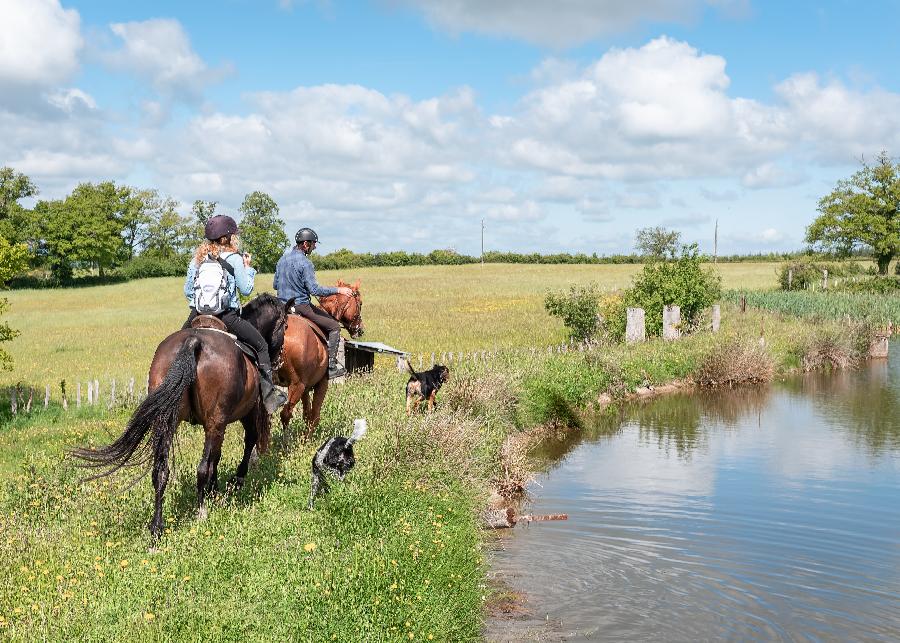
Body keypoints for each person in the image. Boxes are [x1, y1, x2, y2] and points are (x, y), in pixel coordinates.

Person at [182, 214, 287, 413]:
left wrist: (202, 304)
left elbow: (188, 291)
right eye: (233, 236)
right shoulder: (235, 259)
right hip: (226, 316)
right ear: (226, 238)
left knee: (177, 348)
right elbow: (246, 289)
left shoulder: (197, 258)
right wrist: (248, 268)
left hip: (197, 314)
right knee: (262, 346)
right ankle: (269, 396)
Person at [273, 227, 354, 379]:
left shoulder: (281, 260)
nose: (314, 247)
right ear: (305, 244)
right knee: (334, 327)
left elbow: (275, 285)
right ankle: (331, 367)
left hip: (281, 307)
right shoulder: (306, 263)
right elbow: (315, 290)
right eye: (313, 244)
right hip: (301, 307)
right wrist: (339, 290)